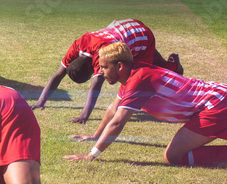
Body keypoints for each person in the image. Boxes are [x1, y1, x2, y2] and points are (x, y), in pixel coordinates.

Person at [64, 42, 227, 170]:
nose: (101, 72)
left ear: (119, 66)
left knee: (174, 156)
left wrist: (91, 155)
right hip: (226, 94)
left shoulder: (138, 81)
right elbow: (113, 109)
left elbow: (119, 121)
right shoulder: (134, 74)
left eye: (103, 67)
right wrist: (94, 135)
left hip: (215, 107)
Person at [34, 19, 182, 124]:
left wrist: (84, 116)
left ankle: (175, 78)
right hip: (125, 25)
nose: (97, 74)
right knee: (155, 63)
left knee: (143, 75)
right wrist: (41, 101)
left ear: (90, 68)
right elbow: (58, 74)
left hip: (141, 36)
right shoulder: (78, 45)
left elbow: (95, 87)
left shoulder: (102, 54)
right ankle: (173, 66)